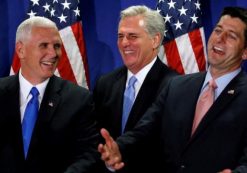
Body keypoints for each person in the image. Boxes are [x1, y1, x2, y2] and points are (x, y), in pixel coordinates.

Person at [98, 6, 247, 173]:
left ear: (245, 51)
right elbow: (143, 131)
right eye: (218, 31)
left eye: (232, 36)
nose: (220, 39)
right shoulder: (177, 85)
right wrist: (119, 149)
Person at [0, 16, 100, 173]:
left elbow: (88, 155)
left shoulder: (78, 99)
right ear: (21, 50)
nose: (53, 53)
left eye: (57, 46)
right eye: (44, 46)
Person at [93, 5, 177, 173]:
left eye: (132, 36)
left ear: (155, 40)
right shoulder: (106, 83)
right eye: (120, 36)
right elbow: (95, 137)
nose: (124, 43)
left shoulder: (174, 85)